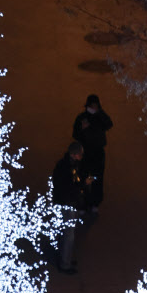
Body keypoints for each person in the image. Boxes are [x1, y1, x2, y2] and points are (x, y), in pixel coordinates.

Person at [52, 142, 93, 274]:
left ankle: (65, 258)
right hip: (67, 203)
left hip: (68, 202)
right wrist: (84, 184)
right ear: (74, 154)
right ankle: (65, 264)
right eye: (80, 155)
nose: (81, 157)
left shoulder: (67, 165)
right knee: (69, 234)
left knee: (66, 232)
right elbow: (70, 187)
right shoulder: (66, 167)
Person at [72, 94, 113, 213]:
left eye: (96, 106)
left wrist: (100, 113)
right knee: (84, 177)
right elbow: (75, 134)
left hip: (98, 152)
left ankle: (95, 203)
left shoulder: (100, 117)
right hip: (84, 152)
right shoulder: (82, 117)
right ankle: (82, 204)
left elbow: (109, 124)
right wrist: (82, 129)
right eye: (92, 105)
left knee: (97, 178)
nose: (94, 108)